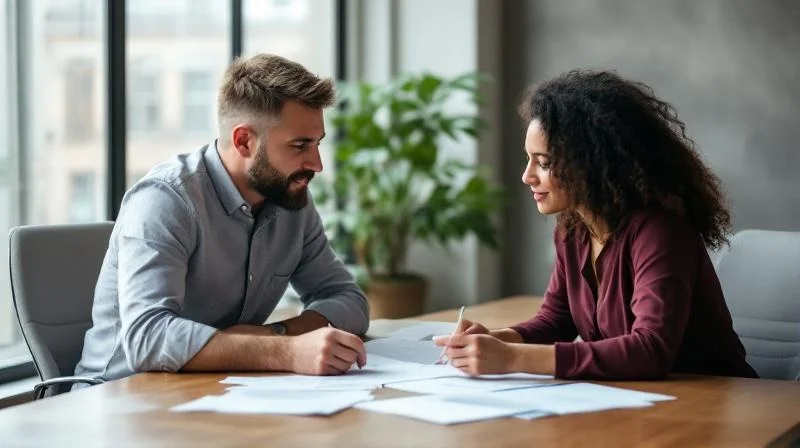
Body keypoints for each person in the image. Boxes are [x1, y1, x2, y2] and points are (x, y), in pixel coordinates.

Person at [435, 69, 757, 380]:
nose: (527, 176)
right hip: (642, 402)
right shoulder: (572, 229)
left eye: (544, 163)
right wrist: (496, 340)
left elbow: (651, 350)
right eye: (529, 159)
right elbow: (556, 320)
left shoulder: (659, 231)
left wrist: (511, 358)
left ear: (589, 161)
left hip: (716, 400)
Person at [75, 54, 369, 384]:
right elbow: (148, 338)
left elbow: (350, 301)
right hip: (120, 394)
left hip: (217, 387)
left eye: (317, 144)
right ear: (244, 141)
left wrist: (278, 333)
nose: (317, 164)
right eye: (300, 146)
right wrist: (287, 352)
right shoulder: (165, 200)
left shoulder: (289, 199)